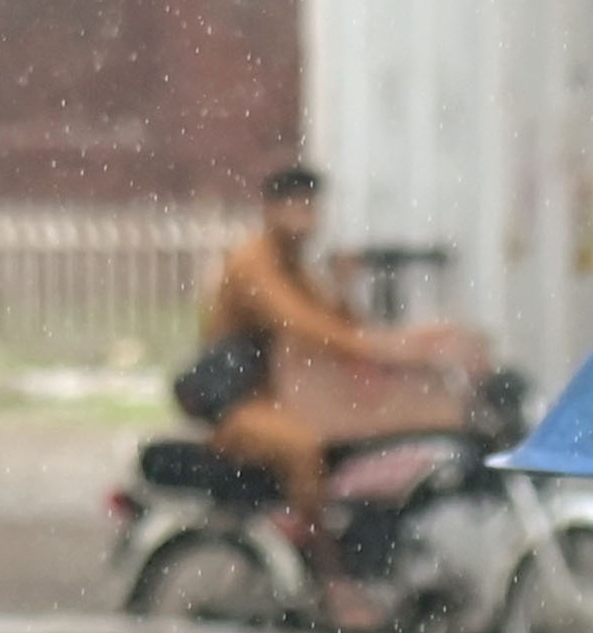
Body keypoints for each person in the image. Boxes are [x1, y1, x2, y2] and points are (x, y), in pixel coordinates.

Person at [182, 165, 461, 580]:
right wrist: (385, 347)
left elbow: (338, 324)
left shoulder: (297, 266)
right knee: (303, 449)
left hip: (288, 396)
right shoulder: (253, 263)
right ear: (270, 209)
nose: (305, 217)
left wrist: (346, 291)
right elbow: (303, 325)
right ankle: (330, 576)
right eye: (295, 206)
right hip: (243, 404)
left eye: (311, 207)